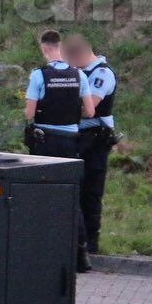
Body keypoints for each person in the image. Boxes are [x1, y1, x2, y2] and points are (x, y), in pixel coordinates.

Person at [24, 29, 96, 272]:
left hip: (45, 141)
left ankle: (41, 250)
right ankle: (81, 253)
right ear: (61, 46)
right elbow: (90, 111)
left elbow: (29, 114)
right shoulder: (79, 75)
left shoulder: (39, 76)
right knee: (71, 195)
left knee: (40, 193)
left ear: (44, 48)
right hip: (70, 140)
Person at [62, 34, 118, 257]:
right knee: (77, 188)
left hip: (95, 138)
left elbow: (89, 108)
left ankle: (91, 244)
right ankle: (78, 241)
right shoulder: (81, 73)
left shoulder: (102, 74)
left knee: (91, 192)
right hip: (79, 136)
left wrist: (62, 107)